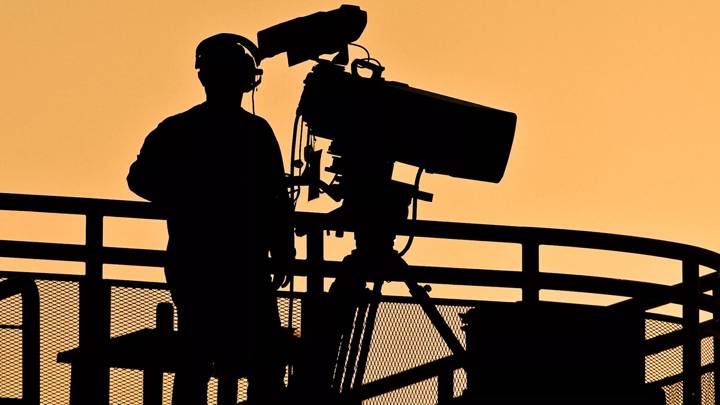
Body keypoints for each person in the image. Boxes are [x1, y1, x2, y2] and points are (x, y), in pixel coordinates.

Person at [127, 33, 294, 404]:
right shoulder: (256, 132)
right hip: (244, 264)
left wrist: (183, 201)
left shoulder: (178, 128)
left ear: (204, 76)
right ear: (247, 79)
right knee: (262, 359)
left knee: (197, 359)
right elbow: (275, 198)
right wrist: (283, 248)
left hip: (193, 261)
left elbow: (138, 178)